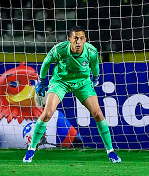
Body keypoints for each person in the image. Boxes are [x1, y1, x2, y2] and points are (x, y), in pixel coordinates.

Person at [23, 26, 121, 163]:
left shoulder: (91, 51)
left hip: (82, 83)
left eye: (81, 38)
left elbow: (95, 65)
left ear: (85, 39)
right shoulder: (60, 49)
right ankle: (31, 150)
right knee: (47, 113)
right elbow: (46, 63)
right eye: (75, 38)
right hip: (60, 82)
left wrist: (96, 77)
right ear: (69, 40)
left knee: (98, 113)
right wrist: (41, 81)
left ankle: (110, 151)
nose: (78, 42)